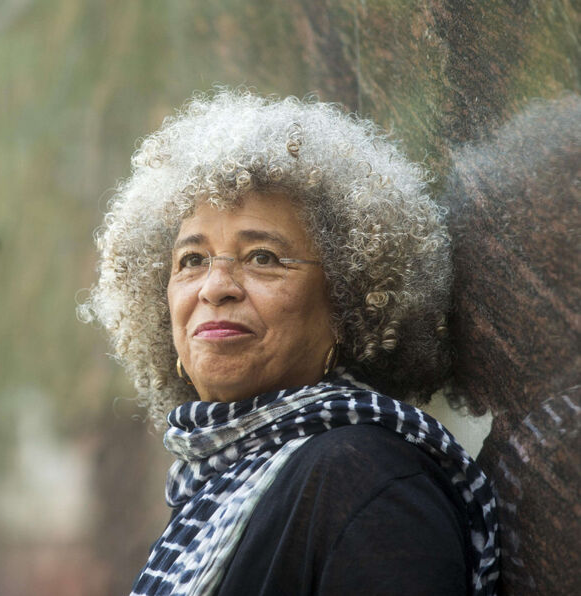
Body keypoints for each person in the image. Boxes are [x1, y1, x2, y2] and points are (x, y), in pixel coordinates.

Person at [79, 89, 499, 595]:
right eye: (192, 260)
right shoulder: (212, 490)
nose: (215, 287)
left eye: (263, 257)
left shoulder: (365, 479)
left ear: (349, 301)